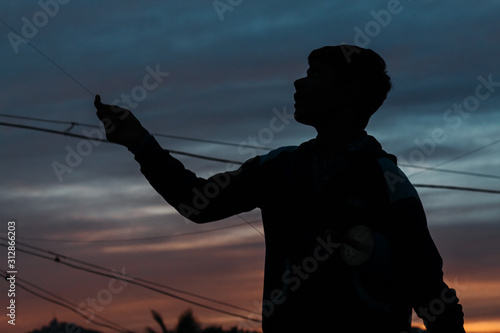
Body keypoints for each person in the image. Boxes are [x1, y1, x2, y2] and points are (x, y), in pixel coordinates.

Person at [95, 45, 466, 332]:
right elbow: (197, 203)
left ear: (349, 91)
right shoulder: (279, 168)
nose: (298, 83)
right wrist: (139, 142)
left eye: (314, 74)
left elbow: (429, 291)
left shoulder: (388, 183)